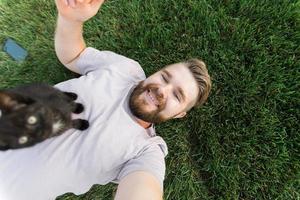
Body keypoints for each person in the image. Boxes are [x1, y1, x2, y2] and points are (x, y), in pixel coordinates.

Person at [0, 0, 211, 199]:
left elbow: (143, 188)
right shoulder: (126, 69)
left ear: (180, 114)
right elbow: (74, 57)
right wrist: (70, 19)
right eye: (164, 77)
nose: (162, 90)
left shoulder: (146, 151)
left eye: (177, 95)